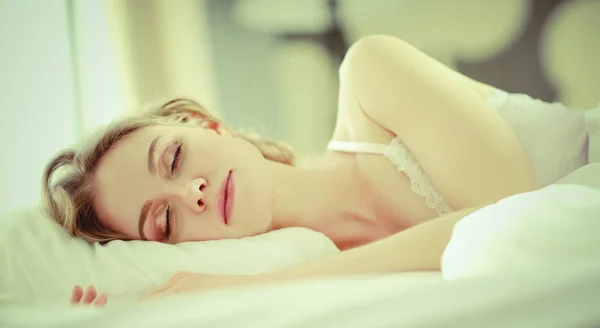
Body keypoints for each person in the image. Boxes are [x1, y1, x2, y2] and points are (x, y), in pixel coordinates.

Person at [43, 35, 591, 307]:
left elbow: (519, 222)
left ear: (205, 124)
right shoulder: (318, 278)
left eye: (174, 158)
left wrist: (247, 285)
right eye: (164, 221)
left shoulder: (373, 75)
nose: (194, 193)